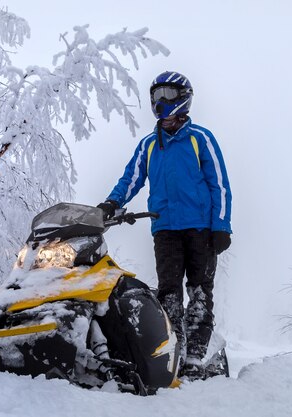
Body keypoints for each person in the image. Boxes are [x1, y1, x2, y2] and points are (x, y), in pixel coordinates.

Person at [97, 71, 232, 380]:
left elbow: (220, 186)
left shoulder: (201, 139)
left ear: (184, 98)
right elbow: (130, 179)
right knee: (169, 293)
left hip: (201, 228)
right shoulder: (148, 145)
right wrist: (111, 204)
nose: (162, 102)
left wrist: (221, 226)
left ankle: (195, 357)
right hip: (165, 229)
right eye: (157, 96)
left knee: (199, 291)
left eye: (168, 95)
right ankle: (174, 352)